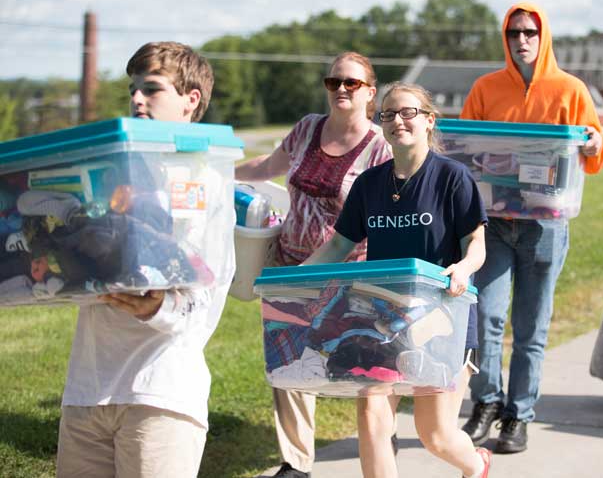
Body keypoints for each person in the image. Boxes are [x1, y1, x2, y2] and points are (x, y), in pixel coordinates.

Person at [56, 42, 230, 477]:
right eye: (133, 89)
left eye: (152, 89)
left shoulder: (204, 180)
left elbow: (205, 300)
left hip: (161, 394)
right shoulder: (106, 176)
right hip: (87, 391)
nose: (136, 99)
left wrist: (158, 305)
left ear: (191, 101)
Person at [304, 82, 491, 478]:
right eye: (388, 114)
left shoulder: (453, 178)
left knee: (434, 434)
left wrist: (463, 268)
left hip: (444, 318)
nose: (397, 121)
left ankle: (476, 465)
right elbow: (339, 245)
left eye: (408, 113)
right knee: (372, 413)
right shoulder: (369, 184)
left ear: (428, 121)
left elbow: (476, 244)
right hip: (381, 319)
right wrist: (296, 279)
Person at [460, 2, 603, 453]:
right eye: (513, 33)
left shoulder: (570, 89)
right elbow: (463, 148)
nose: (522, 40)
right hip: (497, 223)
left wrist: (595, 141)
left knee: (530, 329)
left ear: (543, 37)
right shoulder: (486, 88)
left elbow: (595, 154)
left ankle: (518, 416)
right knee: (485, 316)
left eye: (530, 32)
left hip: (546, 226)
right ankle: (486, 401)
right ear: (505, 39)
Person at [235, 52, 393, 478]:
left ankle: (383, 437)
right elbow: (268, 168)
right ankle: (297, 461)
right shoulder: (307, 128)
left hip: (348, 274)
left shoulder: (380, 147)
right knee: (289, 362)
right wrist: (220, 175)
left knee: (360, 364)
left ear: (370, 93)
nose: (341, 88)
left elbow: (384, 215)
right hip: (289, 266)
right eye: (334, 81)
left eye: (352, 83)